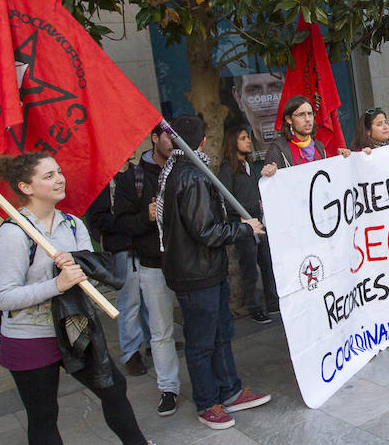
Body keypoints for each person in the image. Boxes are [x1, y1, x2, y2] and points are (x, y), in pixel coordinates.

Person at [0, 153, 152, 445]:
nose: (60, 179)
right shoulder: (13, 235)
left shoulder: (73, 224)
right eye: (49, 175)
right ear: (26, 187)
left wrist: (81, 266)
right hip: (30, 337)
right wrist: (56, 283)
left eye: (59, 172)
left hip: (75, 326)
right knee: (44, 414)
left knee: (114, 388)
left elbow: (90, 276)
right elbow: (3, 298)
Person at [157, 115, 271, 430]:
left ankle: (230, 390)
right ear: (203, 141)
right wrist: (244, 229)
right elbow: (206, 231)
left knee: (221, 335)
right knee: (202, 342)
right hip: (196, 274)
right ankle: (207, 402)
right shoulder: (191, 176)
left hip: (207, 271)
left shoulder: (187, 171)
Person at [113, 125, 182, 416]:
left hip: (190, 264)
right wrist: (147, 216)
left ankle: (217, 385)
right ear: (155, 138)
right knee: (161, 331)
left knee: (205, 328)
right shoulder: (134, 177)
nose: (174, 142)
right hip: (153, 265)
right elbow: (121, 223)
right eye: (169, 136)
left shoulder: (186, 169)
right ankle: (168, 388)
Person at [84, 173, 150, 377]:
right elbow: (98, 220)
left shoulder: (134, 174)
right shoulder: (101, 182)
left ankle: (152, 342)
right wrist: (128, 223)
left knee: (147, 299)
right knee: (129, 302)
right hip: (122, 248)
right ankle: (131, 352)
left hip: (142, 244)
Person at [219, 126, 278, 325]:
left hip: (258, 221)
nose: (248, 141)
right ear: (233, 141)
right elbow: (226, 201)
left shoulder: (248, 165)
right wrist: (248, 210)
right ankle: (254, 307)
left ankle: (272, 302)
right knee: (250, 269)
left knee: (267, 263)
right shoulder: (227, 168)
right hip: (243, 225)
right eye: (243, 138)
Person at [263, 96, 329, 171]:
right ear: (289, 119)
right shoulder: (278, 148)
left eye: (310, 114)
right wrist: (270, 171)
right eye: (301, 114)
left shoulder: (318, 146)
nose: (307, 119)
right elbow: (271, 181)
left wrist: (342, 158)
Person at [231, 72, 284, 156]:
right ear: (238, 98)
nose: (266, 104)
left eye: (275, 87)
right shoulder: (236, 154)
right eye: (253, 90)